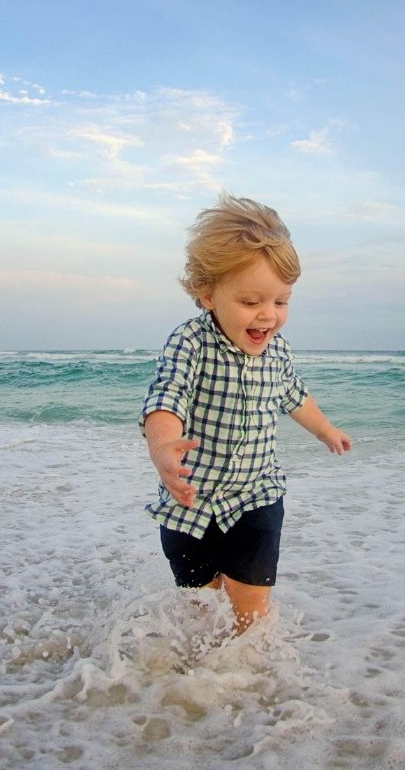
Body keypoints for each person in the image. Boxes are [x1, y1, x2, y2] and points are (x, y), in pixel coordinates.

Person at [141, 192, 351, 633]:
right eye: (252, 301)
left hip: (256, 496)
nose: (268, 317)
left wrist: (326, 429)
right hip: (190, 503)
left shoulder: (278, 350)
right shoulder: (190, 342)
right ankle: (190, 687)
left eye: (281, 302)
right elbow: (167, 397)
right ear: (207, 293)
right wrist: (163, 448)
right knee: (200, 613)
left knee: (251, 615)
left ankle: (252, 682)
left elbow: (293, 395)